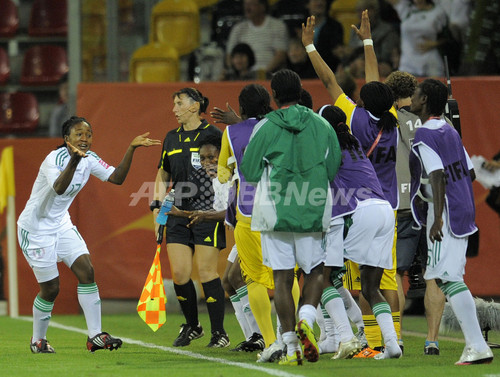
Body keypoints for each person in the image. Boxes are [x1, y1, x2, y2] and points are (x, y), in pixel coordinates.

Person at [303, 12, 402, 356]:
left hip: (355, 207)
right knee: (382, 281)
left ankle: (347, 335)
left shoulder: (353, 121)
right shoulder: (391, 124)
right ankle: (393, 340)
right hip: (387, 205)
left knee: (328, 272)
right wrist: (368, 41)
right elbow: (377, 87)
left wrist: (310, 46)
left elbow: (330, 81)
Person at [17, 116, 161, 353]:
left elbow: (117, 178)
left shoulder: (90, 159)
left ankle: (95, 335)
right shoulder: (54, 159)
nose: (84, 139)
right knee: (51, 288)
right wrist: (74, 161)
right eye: (78, 134)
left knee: (87, 270)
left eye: (88, 134)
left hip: (61, 224)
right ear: (66, 139)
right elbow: (59, 187)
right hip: (36, 229)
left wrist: (131, 148)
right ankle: (37, 340)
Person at [240, 69, 342, 366]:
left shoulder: (265, 127)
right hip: (312, 206)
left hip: (275, 210)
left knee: (282, 279)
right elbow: (333, 166)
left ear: (273, 95)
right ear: (300, 91)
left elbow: (249, 171)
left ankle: (292, 347)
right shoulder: (323, 125)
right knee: (314, 272)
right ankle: (308, 317)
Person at [409, 78, 494, 365]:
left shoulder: (424, 135)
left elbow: (437, 175)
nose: (413, 95)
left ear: (424, 102)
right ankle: (476, 344)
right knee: (451, 278)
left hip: (444, 214)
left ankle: (477, 345)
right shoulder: (449, 130)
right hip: (464, 208)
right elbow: (468, 173)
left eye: (416, 93)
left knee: (446, 278)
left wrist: (436, 219)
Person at [216, 84, 300, 362]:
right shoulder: (284, 126)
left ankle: (272, 341)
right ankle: (294, 335)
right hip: (285, 208)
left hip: (249, 212)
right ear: (269, 104)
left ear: (241, 108)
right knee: (288, 275)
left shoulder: (231, 132)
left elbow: (224, 175)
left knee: (253, 279)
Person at [318, 104, 402, 359]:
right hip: (384, 210)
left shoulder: (327, 147)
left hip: (360, 210)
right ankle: (392, 345)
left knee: (320, 277)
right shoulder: (353, 143)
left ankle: (346, 337)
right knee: (370, 287)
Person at [151, 87, 229, 348]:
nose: (174, 109)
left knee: (207, 271)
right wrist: (156, 210)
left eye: (179, 103)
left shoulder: (213, 135)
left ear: (195, 106)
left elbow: (226, 171)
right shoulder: (171, 138)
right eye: (173, 103)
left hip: (207, 212)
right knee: (181, 274)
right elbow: (163, 174)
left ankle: (219, 333)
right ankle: (193, 325)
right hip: (176, 212)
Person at [385, 70, 446, 356]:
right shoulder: (437, 123)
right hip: (432, 206)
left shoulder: (387, 119)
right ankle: (432, 339)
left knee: (395, 272)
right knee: (432, 273)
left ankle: (396, 337)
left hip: (402, 204)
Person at [225, 0, 289, 77]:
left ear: (263, 7)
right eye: (245, 4)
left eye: (251, 4)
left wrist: (262, 74)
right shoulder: (238, 28)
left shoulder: (278, 26)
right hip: (243, 76)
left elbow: (280, 55)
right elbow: (229, 56)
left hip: (269, 75)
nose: (247, 8)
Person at [387, 0, 448, 77]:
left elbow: (449, 38)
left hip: (430, 62)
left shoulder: (438, 12)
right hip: (408, 63)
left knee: (434, 87)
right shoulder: (405, 9)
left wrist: (435, 44)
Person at [48, 73, 70, 138]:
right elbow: (53, 137)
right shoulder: (57, 112)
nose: (65, 92)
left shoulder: (83, 109)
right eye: (63, 88)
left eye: (68, 88)